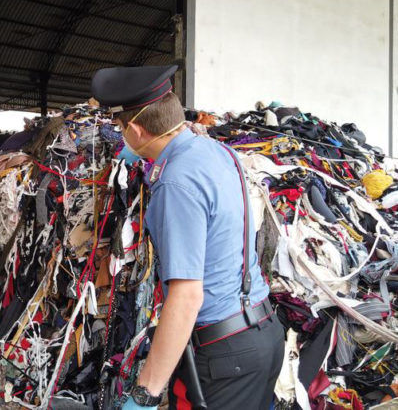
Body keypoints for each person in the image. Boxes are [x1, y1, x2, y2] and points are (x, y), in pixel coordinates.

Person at [91, 66, 284, 410]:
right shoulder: (217, 152)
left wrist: (145, 393)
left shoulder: (174, 182)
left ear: (135, 129)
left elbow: (187, 296)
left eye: (121, 128)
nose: (122, 136)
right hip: (264, 332)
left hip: (225, 354)